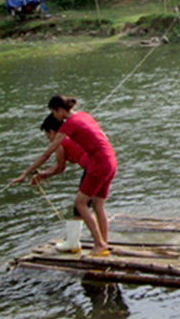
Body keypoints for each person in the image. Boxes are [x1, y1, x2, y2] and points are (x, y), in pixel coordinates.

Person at [13, 95, 117, 257]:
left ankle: (99, 244)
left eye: (54, 113)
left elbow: (46, 154)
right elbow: (103, 136)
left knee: (80, 204)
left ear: (61, 110)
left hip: (97, 163)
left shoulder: (69, 125)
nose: (54, 117)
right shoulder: (85, 115)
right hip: (110, 159)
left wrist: (25, 174)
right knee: (98, 205)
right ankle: (103, 242)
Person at [32, 114, 91, 253]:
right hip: (98, 165)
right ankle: (88, 238)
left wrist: (43, 175)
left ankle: (73, 243)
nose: (49, 139)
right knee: (94, 205)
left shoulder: (59, 143)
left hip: (91, 169)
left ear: (52, 132)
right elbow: (59, 164)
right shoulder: (71, 136)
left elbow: (60, 167)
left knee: (79, 207)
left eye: (48, 136)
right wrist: (44, 174)